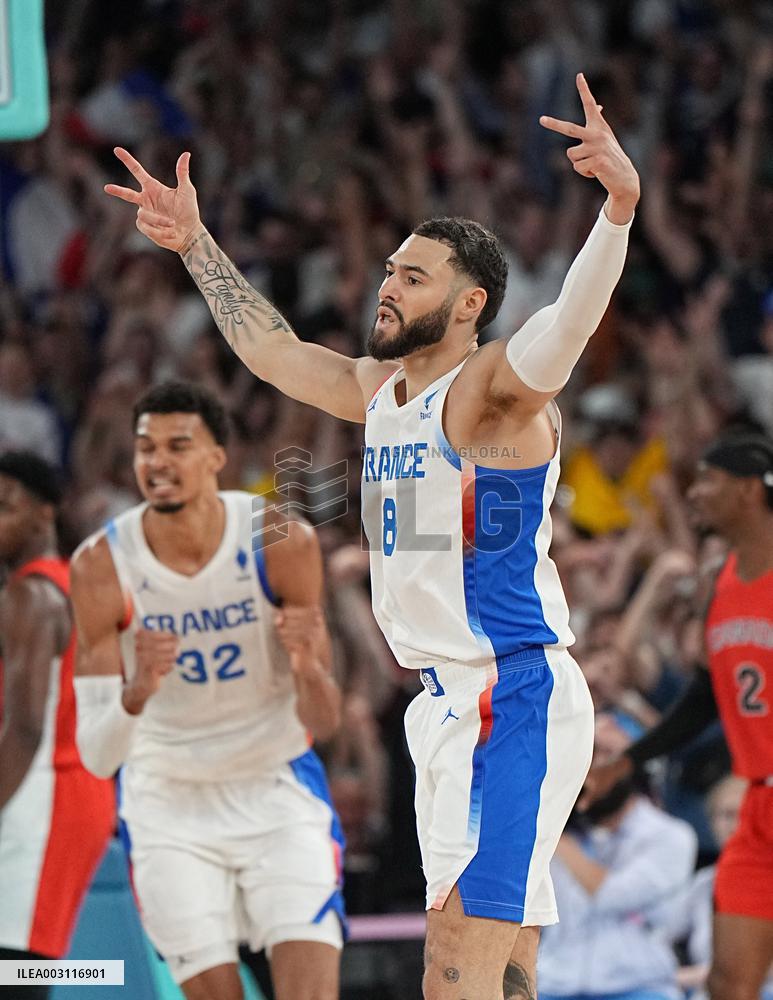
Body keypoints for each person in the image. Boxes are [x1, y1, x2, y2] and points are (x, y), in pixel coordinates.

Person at [105, 72, 640, 1000]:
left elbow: (564, 331)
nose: (384, 285)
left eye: (411, 275)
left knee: (453, 975)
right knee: (502, 971)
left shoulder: (491, 396)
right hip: (443, 708)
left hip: (505, 695)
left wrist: (618, 212)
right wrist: (193, 243)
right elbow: (270, 351)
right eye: (388, 268)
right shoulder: (379, 392)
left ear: (468, 304)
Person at [70, 381, 344, 1000]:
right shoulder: (100, 565)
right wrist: (136, 691)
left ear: (218, 457)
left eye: (177, 445)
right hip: (168, 802)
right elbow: (97, 756)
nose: (157, 462)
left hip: (275, 786)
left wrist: (306, 667)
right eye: (145, 448)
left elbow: (324, 722)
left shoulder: (281, 540)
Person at [582, 432, 773, 1000]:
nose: (693, 493)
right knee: (728, 983)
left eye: (707, 480)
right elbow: (705, 695)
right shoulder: (722, 583)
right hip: (757, 804)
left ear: (745, 491)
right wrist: (631, 760)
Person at [0, 451, 115, 999]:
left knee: (16, 970)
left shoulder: (28, 593)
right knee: (30, 967)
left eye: (5, 507)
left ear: (45, 513)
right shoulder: (80, 585)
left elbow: (22, 725)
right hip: (80, 793)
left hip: (39, 792)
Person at [537, 713, 697, 1000]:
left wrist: (551, 828)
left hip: (640, 986)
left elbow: (609, 894)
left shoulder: (671, 836)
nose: (594, 767)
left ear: (634, 766)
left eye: (607, 754)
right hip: (555, 984)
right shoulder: (556, 830)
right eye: (586, 753)